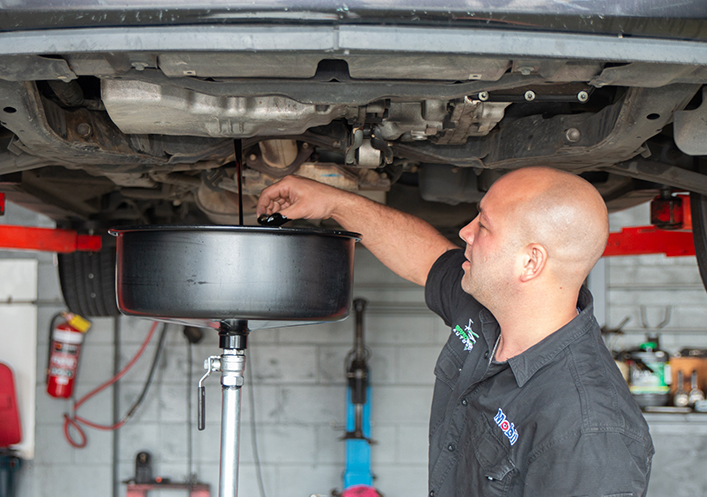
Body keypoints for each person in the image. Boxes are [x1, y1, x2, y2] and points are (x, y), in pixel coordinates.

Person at [257, 167, 653, 497]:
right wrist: (333, 202)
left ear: (530, 262)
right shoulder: (489, 310)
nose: (465, 232)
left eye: (484, 225)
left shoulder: (590, 432)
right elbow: (425, 258)